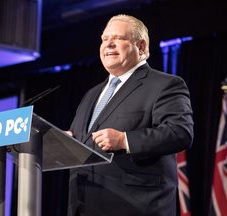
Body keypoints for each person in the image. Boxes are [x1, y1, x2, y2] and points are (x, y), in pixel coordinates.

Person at [65, 14, 194, 216]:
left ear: (141, 47)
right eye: (105, 39)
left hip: (135, 206)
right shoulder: (91, 94)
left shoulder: (164, 85)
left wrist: (125, 140)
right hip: (84, 205)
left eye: (118, 38)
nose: (109, 44)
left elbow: (180, 132)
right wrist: (66, 142)